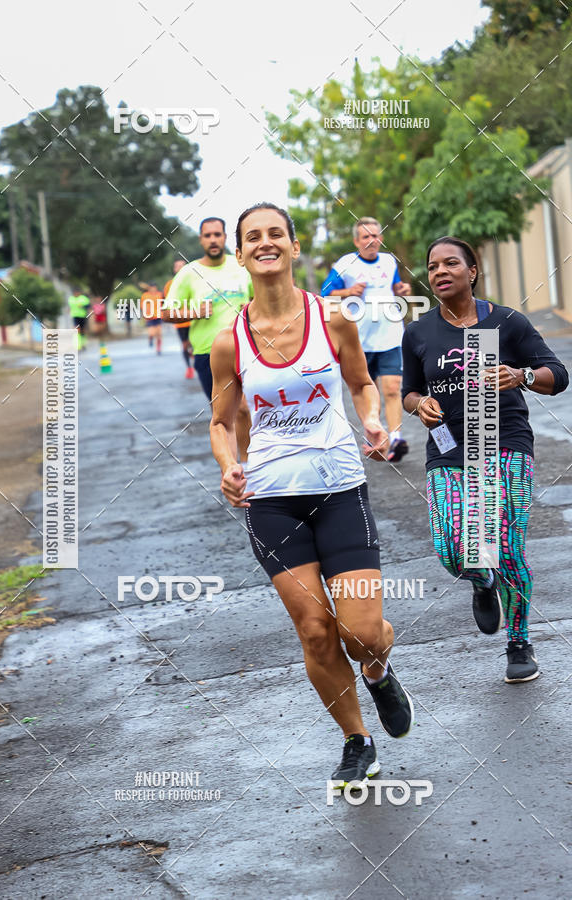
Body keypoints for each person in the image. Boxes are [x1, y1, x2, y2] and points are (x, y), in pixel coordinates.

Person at [210, 203, 414, 787]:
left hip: (339, 489)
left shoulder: (335, 318)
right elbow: (222, 422)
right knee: (315, 630)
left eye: (277, 234)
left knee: (360, 633)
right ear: (243, 252)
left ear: (295, 248)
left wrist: (372, 420)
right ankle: (358, 740)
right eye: (254, 237)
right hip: (271, 501)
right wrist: (229, 465)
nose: (265, 243)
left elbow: (360, 383)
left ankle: (377, 671)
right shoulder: (230, 341)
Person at [402, 236, 569, 683]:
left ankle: (518, 642)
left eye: (451, 263)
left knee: (508, 546)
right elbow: (408, 392)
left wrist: (523, 375)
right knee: (451, 548)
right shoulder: (418, 332)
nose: (440, 271)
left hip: (505, 441)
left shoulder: (508, 323)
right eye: (433, 265)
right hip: (448, 446)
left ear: (472, 271)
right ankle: (480, 579)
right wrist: (419, 405)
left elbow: (559, 375)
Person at [321, 217, 412, 462]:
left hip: (391, 334)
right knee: (365, 390)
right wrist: (348, 292)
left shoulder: (389, 260)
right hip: (359, 340)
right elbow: (325, 293)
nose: (372, 240)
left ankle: (395, 439)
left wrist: (401, 289)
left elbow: (395, 287)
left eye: (376, 235)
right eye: (366, 237)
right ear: (356, 241)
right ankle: (375, 434)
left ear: (381, 238)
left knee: (392, 388)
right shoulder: (345, 264)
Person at [165, 217, 252, 460]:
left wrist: (251, 307)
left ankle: (246, 465)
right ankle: (231, 468)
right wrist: (194, 312)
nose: (213, 240)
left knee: (244, 409)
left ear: (225, 237)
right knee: (223, 415)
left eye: (217, 234)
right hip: (207, 353)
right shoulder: (189, 273)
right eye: (208, 235)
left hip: (243, 348)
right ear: (201, 239)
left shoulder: (240, 267)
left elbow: (260, 301)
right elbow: (166, 312)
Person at [164, 260, 195, 379]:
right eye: (177, 266)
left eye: (183, 266)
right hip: (180, 322)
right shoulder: (169, 285)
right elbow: (167, 305)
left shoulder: (194, 282)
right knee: (185, 345)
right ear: (174, 270)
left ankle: (194, 359)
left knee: (195, 343)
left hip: (195, 320)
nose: (180, 268)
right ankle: (189, 368)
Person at [140, 282, 164, 355]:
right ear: (149, 288)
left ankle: (158, 349)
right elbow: (142, 306)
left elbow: (164, 304)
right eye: (152, 288)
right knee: (151, 333)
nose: (153, 289)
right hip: (149, 317)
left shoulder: (160, 294)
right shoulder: (145, 296)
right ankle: (150, 339)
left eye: (154, 288)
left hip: (158, 316)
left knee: (159, 334)